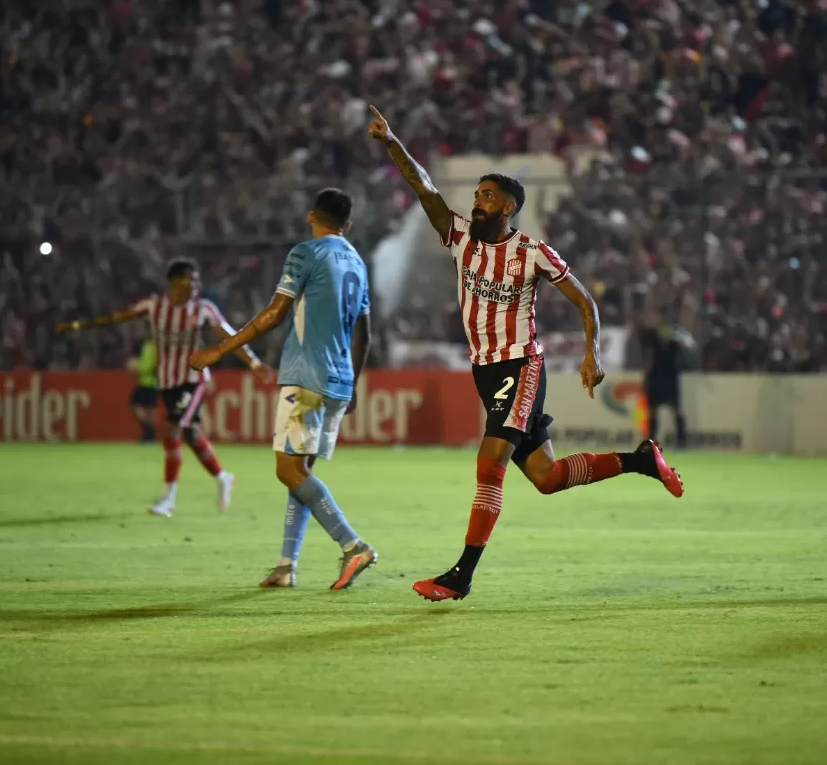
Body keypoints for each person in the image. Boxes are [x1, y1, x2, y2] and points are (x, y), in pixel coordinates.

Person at [367, 105, 684, 603]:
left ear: (508, 207)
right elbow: (422, 186)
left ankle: (461, 576)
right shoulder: (458, 239)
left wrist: (591, 353)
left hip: (521, 364)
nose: (476, 202)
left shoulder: (532, 252)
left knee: (490, 463)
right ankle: (641, 461)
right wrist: (392, 143)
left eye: (487, 196)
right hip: (485, 371)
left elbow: (584, 299)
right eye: (475, 195)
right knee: (547, 477)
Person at [188, 188, 378, 591]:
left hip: (307, 373)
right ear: (349, 224)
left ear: (312, 216)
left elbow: (274, 313)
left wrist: (218, 351)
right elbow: (366, 333)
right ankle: (286, 566)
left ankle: (352, 544)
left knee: (287, 469)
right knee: (300, 472)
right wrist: (354, 382)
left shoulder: (306, 253)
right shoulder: (358, 263)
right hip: (340, 378)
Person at [56, 258, 272, 516]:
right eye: (190, 279)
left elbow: (232, 337)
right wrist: (78, 325)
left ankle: (168, 499)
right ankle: (223, 477)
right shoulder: (154, 306)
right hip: (168, 383)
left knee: (170, 431)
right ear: (174, 282)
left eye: (196, 279)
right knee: (190, 435)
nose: (196, 284)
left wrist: (255, 363)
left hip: (193, 381)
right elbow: (116, 318)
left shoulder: (203, 309)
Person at [640, 310, 694, 448]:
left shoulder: (676, 335)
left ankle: (682, 441)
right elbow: (648, 356)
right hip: (656, 376)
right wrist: (646, 377)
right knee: (653, 410)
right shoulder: (651, 335)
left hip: (670, 376)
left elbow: (690, 345)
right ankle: (651, 442)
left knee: (676, 409)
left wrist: (677, 337)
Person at [128, 337, 159, 442]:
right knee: (143, 407)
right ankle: (149, 432)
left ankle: (149, 433)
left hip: (149, 382)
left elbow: (151, 366)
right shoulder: (151, 345)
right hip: (148, 382)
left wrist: (138, 367)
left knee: (148, 409)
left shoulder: (151, 346)